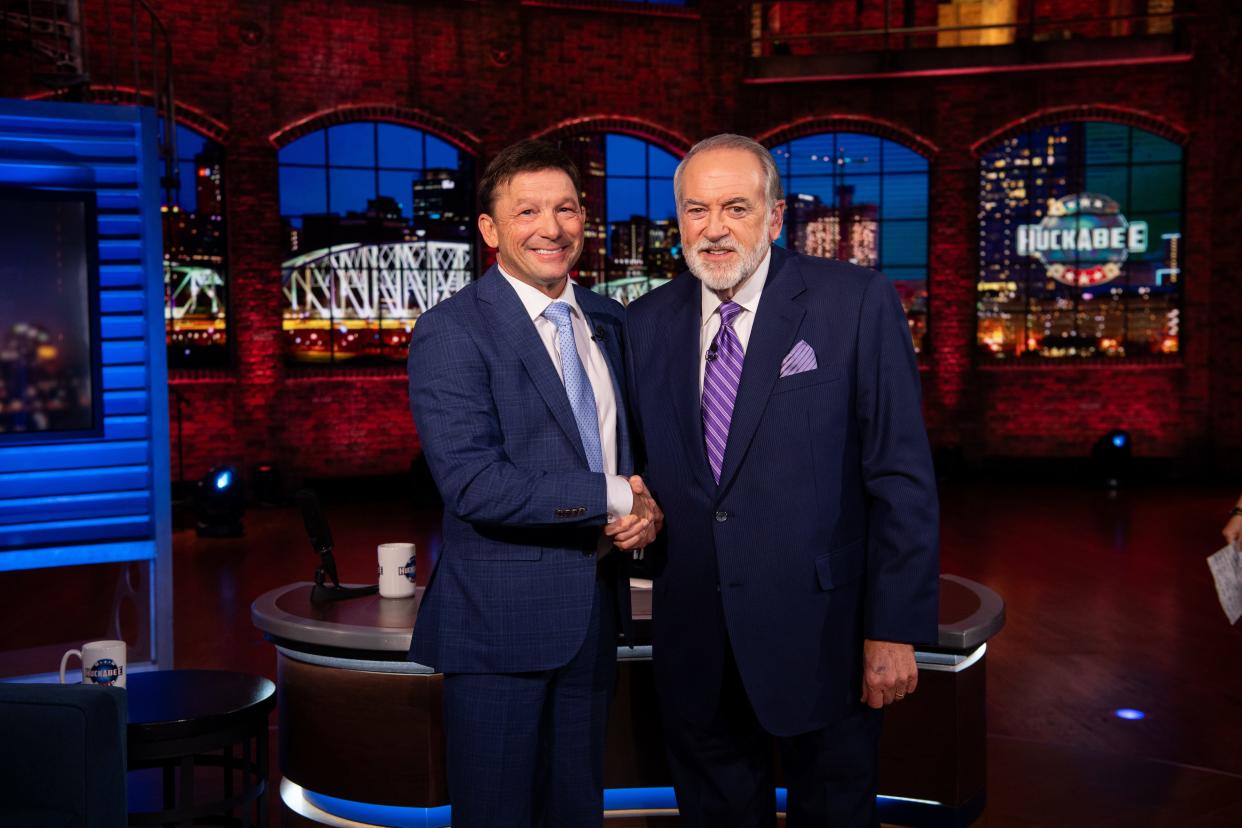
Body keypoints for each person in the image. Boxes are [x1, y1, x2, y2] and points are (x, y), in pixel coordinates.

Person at [624, 134, 940, 827]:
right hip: (698, 644)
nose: (713, 228)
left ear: (773, 218)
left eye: (736, 207)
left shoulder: (854, 302)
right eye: (696, 209)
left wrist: (893, 630)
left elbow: (901, 477)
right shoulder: (645, 324)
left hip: (824, 638)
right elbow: (645, 470)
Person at [406, 139, 660, 827]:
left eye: (566, 208)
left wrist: (645, 514)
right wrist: (614, 497)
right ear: (490, 230)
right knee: (497, 813)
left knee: (575, 809)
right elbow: (475, 485)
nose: (551, 228)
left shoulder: (610, 321)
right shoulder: (451, 331)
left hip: (594, 619)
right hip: (499, 628)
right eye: (527, 212)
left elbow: (630, 460)